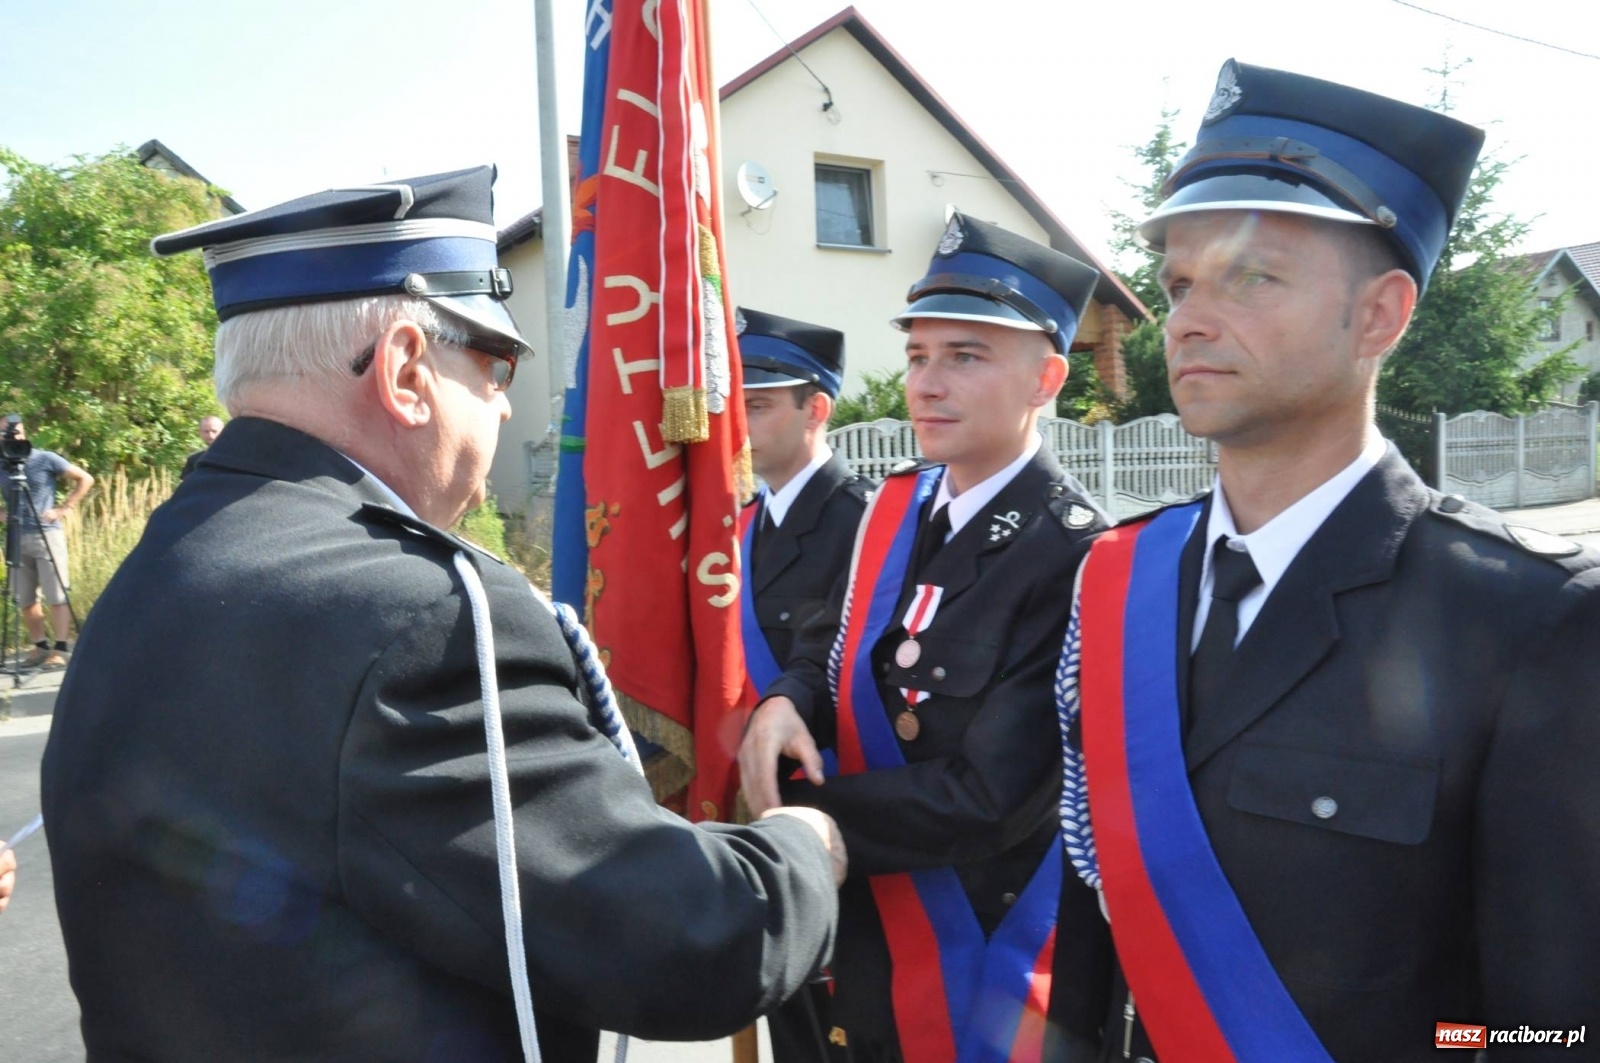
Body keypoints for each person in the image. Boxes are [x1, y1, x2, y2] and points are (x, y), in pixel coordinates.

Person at [41, 165, 845, 1063]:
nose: (503, 402)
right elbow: (695, 944)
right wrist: (800, 847)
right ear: (406, 370)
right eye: (495, 366)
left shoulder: (160, 565)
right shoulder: (424, 611)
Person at [1058, 61, 1600, 1061]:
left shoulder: (1530, 618)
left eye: (1251, 275)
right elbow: (1094, 917)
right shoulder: (1126, 580)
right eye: (1178, 283)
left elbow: (1554, 1022)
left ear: (1379, 316)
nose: (1189, 318)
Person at [740, 213, 1114, 1062]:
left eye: (965, 356)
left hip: (979, 942)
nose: (926, 384)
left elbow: (994, 796)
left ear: (1045, 379)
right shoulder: (895, 508)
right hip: (864, 919)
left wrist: (798, 819)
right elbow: (826, 642)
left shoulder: (1076, 555)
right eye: (917, 356)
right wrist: (784, 701)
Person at [737, 308, 871, 1063]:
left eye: (758, 404)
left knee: (835, 1034)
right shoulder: (744, 525)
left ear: (815, 409)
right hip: (762, 811)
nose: (739, 422)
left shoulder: (864, 519)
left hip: (830, 814)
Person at [0, 418, 93, 668]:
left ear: (24, 432)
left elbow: (85, 478)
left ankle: (60, 649)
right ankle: (39, 646)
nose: (11, 437)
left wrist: (65, 508)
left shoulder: (45, 458)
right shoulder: (2, 464)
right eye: (5, 433)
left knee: (56, 594)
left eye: (15, 432)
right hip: (16, 536)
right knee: (25, 597)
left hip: (47, 533)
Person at [179, 414, 225, 479]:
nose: (211, 436)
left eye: (214, 431)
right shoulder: (193, 460)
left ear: (223, 431)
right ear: (200, 433)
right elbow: (188, 486)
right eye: (206, 432)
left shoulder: (235, 456)